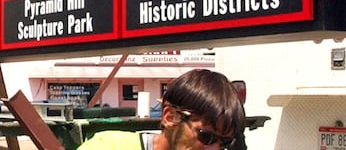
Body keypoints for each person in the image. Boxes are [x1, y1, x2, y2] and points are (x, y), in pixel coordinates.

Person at [77, 69, 245, 150]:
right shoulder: (111, 146)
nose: (214, 149)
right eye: (206, 136)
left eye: (224, 142)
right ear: (170, 117)